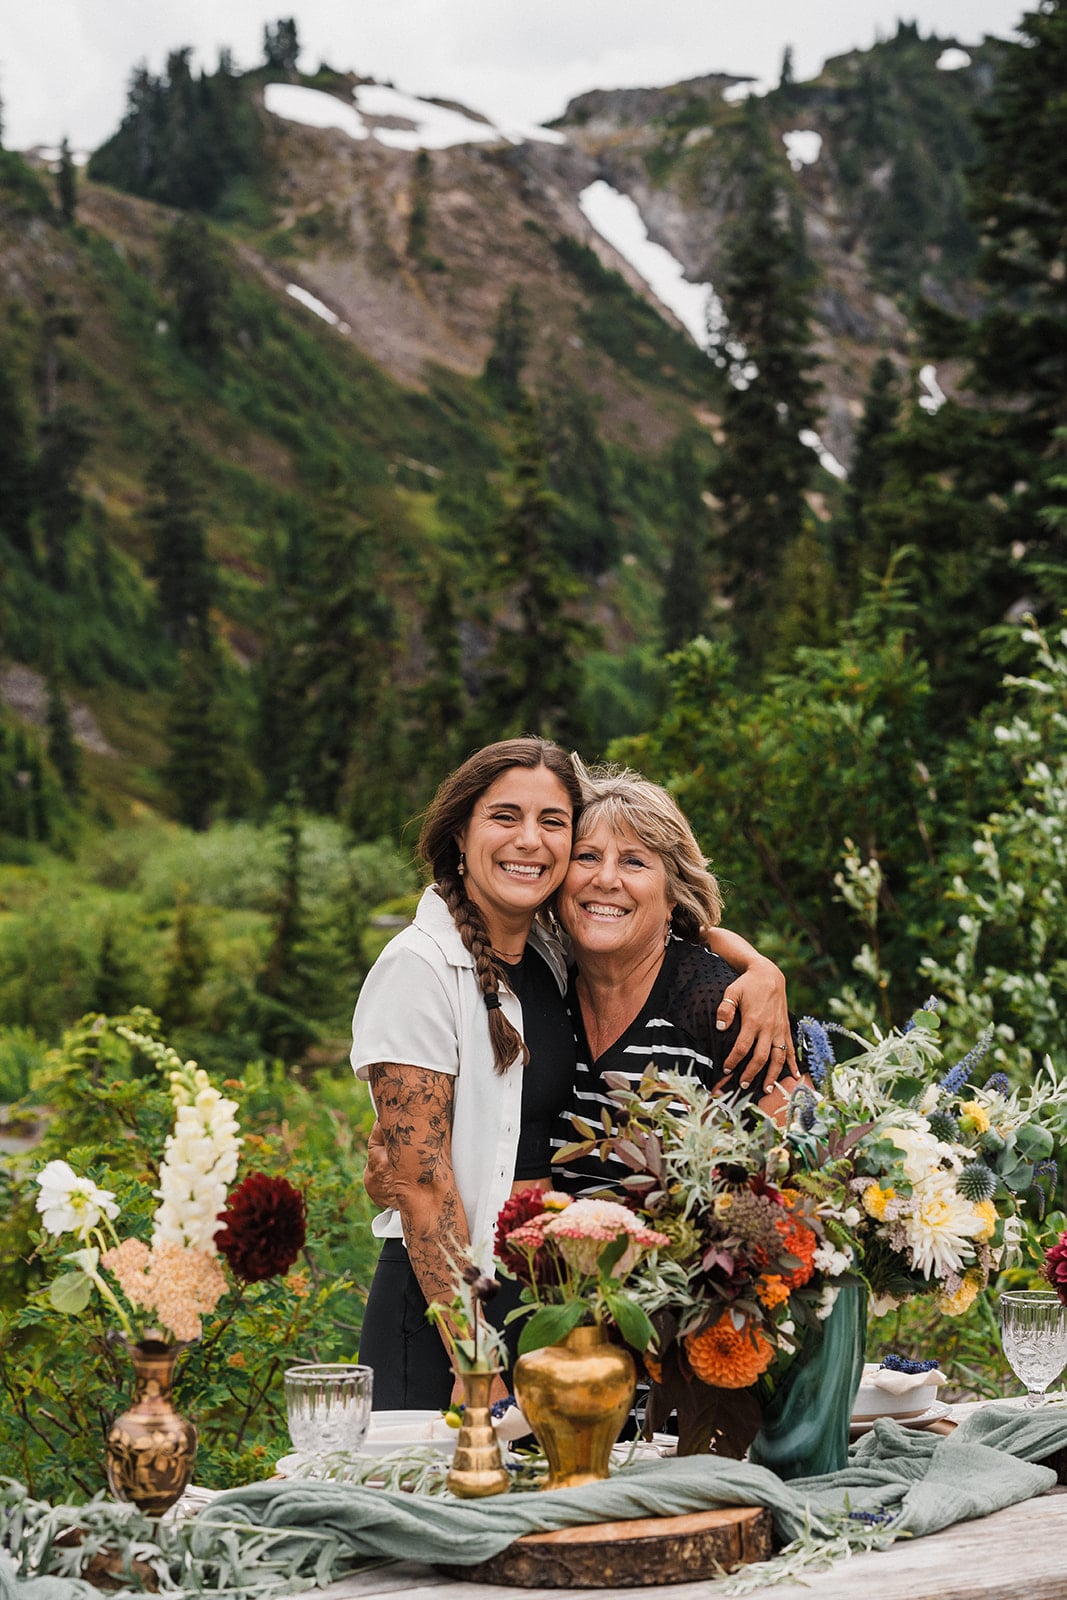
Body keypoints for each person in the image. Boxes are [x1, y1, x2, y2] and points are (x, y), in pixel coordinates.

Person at [350, 737, 793, 1409]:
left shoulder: (544, 956)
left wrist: (759, 969)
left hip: (547, 1306)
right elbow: (418, 1183)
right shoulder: (420, 965)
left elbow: (650, 920)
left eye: (552, 823)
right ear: (459, 831)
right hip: (446, 1316)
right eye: (504, 817)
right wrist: (479, 1372)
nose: (529, 841)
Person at [550, 764, 800, 1196]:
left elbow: (803, 1174)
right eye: (587, 856)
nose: (606, 879)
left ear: (672, 896)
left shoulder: (721, 1008)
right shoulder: (543, 989)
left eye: (634, 861)